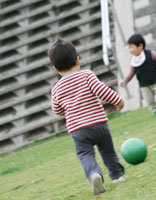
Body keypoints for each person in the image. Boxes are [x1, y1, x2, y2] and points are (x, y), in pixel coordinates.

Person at [48, 38, 125, 195]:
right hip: (98, 123)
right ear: (77, 60)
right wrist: (118, 101)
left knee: (85, 155)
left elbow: (56, 109)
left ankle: (94, 174)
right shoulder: (86, 75)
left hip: (78, 130)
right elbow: (102, 90)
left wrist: (67, 111)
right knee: (108, 151)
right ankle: (117, 175)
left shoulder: (56, 88)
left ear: (55, 69)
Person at [120, 33, 156, 116]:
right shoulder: (133, 60)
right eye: (129, 47)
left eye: (131, 47)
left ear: (140, 46)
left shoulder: (150, 53)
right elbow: (131, 72)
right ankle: (155, 109)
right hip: (144, 84)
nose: (130, 50)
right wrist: (125, 81)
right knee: (149, 99)